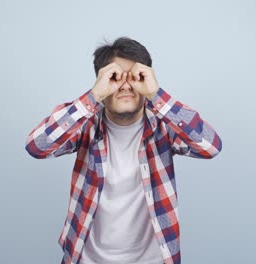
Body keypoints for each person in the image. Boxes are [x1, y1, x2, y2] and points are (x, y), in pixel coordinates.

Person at [25, 36, 222, 264]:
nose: (127, 85)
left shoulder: (164, 126)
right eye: (116, 78)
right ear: (101, 81)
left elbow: (211, 146)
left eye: (136, 78)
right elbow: (37, 146)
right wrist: (94, 96)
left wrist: (156, 95)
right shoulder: (85, 124)